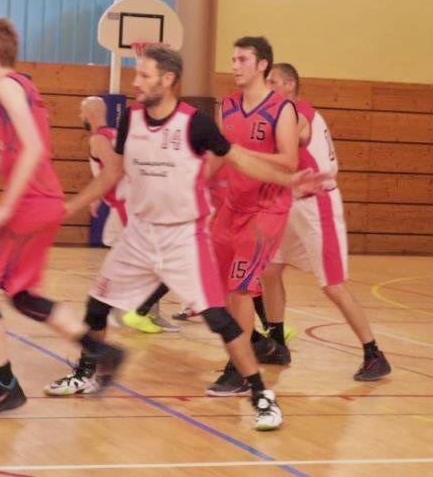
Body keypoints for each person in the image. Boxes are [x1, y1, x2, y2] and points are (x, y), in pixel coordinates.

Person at [43, 45, 328, 430]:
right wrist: (70, 207)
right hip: (139, 235)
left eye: (144, 75)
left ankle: (262, 396)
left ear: (168, 80)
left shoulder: (196, 124)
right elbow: (113, 172)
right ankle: (85, 372)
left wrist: (288, 180)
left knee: (219, 320)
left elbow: (240, 159)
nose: (136, 82)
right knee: (96, 306)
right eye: (137, 74)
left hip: (182, 238)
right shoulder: (131, 119)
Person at [0, 18, 125, 418]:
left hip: (29, 204)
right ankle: (101, 351)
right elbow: (13, 154)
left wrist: (7, 206)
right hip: (44, 202)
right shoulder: (20, 87)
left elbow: (33, 151)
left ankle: (4, 386)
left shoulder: (7, 86)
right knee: (23, 296)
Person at [262, 63, 391, 381]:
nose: (268, 86)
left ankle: (373, 353)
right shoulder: (286, 113)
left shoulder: (297, 113)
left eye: (273, 81)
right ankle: (276, 343)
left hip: (317, 204)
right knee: (269, 270)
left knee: (333, 286)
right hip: (292, 202)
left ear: (290, 85)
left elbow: (291, 144)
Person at [206, 36, 299, 397]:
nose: (235, 65)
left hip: (267, 209)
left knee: (240, 287)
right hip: (233, 206)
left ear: (262, 65)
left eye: (242, 59)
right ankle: (260, 347)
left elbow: (289, 160)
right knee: (217, 293)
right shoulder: (228, 105)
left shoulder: (281, 109)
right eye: (233, 59)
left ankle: (241, 369)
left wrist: (241, 153)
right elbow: (219, 155)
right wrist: (195, 184)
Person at [79, 96, 176, 335]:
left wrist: (91, 196)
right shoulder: (114, 133)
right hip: (124, 204)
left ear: (89, 114)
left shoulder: (98, 139)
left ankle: (130, 310)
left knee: (146, 260)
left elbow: (114, 169)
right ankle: (126, 309)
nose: (80, 117)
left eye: (81, 113)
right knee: (130, 258)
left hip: (126, 206)